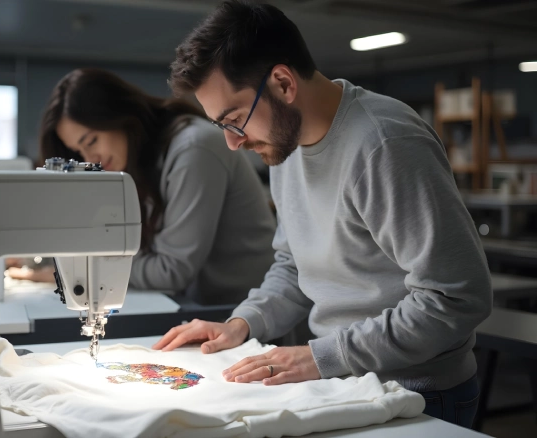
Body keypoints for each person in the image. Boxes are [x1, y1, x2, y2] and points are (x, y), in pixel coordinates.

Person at [153, 0, 492, 428]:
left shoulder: (384, 143)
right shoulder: (284, 144)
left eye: (234, 120)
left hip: (416, 392)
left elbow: (456, 297)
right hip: (343, 382)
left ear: (282, 83)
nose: (233, 143)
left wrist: (322, 356)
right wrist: (243, 322)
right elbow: (295, 265)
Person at [37, 68, 276, 305]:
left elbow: (170, 271)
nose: (90, 158)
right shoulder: (139, 161)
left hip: (243, 313)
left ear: (118, 115)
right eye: (79, 151)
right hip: (200, 306)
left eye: (91, 141)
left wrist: (88, 269)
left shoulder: (194, 148)